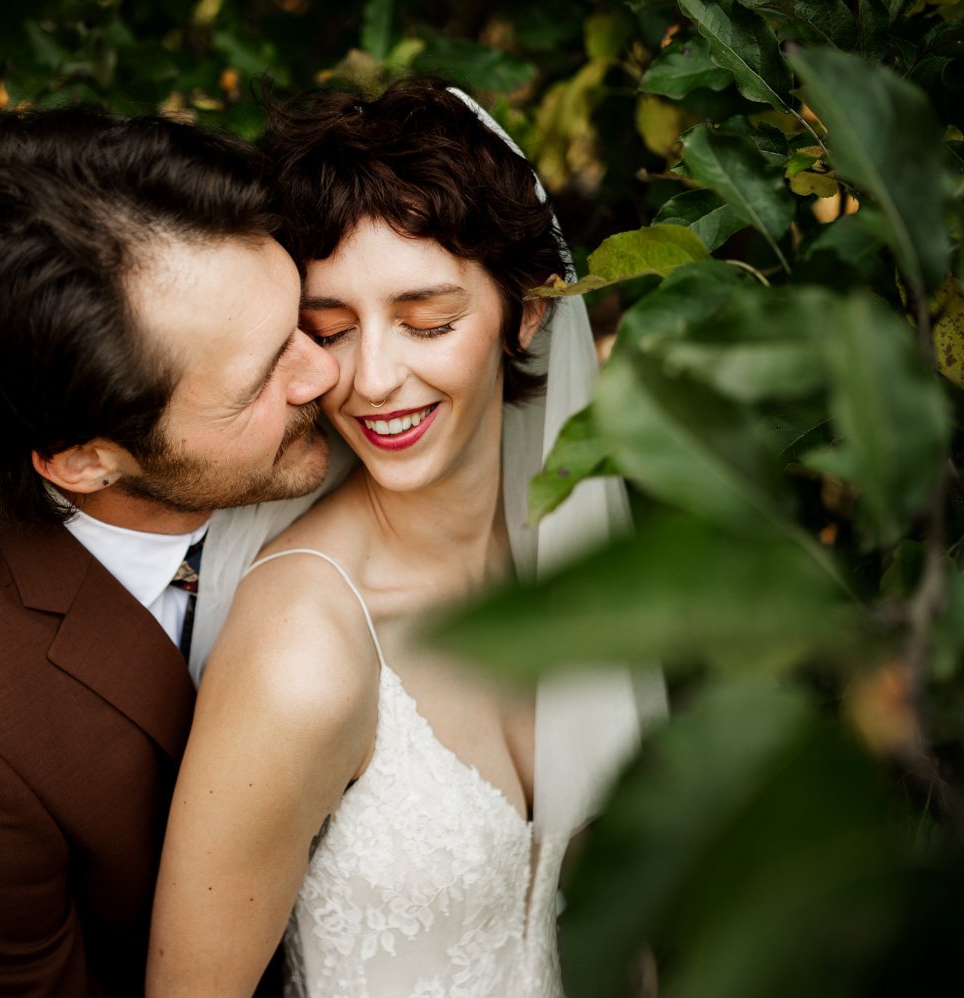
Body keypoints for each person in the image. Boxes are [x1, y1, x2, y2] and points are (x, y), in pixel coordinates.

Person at [146, 80, 651, 997]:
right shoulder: (302, 646)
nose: (373, 379)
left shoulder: (573, 566)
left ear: (526, 311)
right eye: (331, 330)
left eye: (428, 322)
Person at [0, 107, 337, 997]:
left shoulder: (366, 439)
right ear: (86, 459)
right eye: (262, 376)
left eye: (301, 316)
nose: (327, 373)